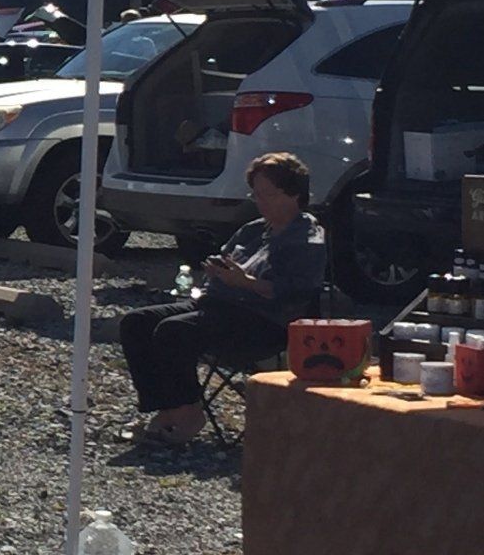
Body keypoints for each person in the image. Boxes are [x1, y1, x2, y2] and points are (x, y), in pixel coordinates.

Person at [119, 153, 330, 445]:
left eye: (268, 194)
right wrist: (218, 272)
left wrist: (245, 282)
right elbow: (227, 261)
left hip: (262, 321)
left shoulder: (307, 238)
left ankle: (189, 412)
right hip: (219, 304)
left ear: (294, 194)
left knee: (175, 330)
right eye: (256, 194)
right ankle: (168, 408)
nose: (260, 201)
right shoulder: (254, 229)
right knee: (136, 322)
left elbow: (296, 292)